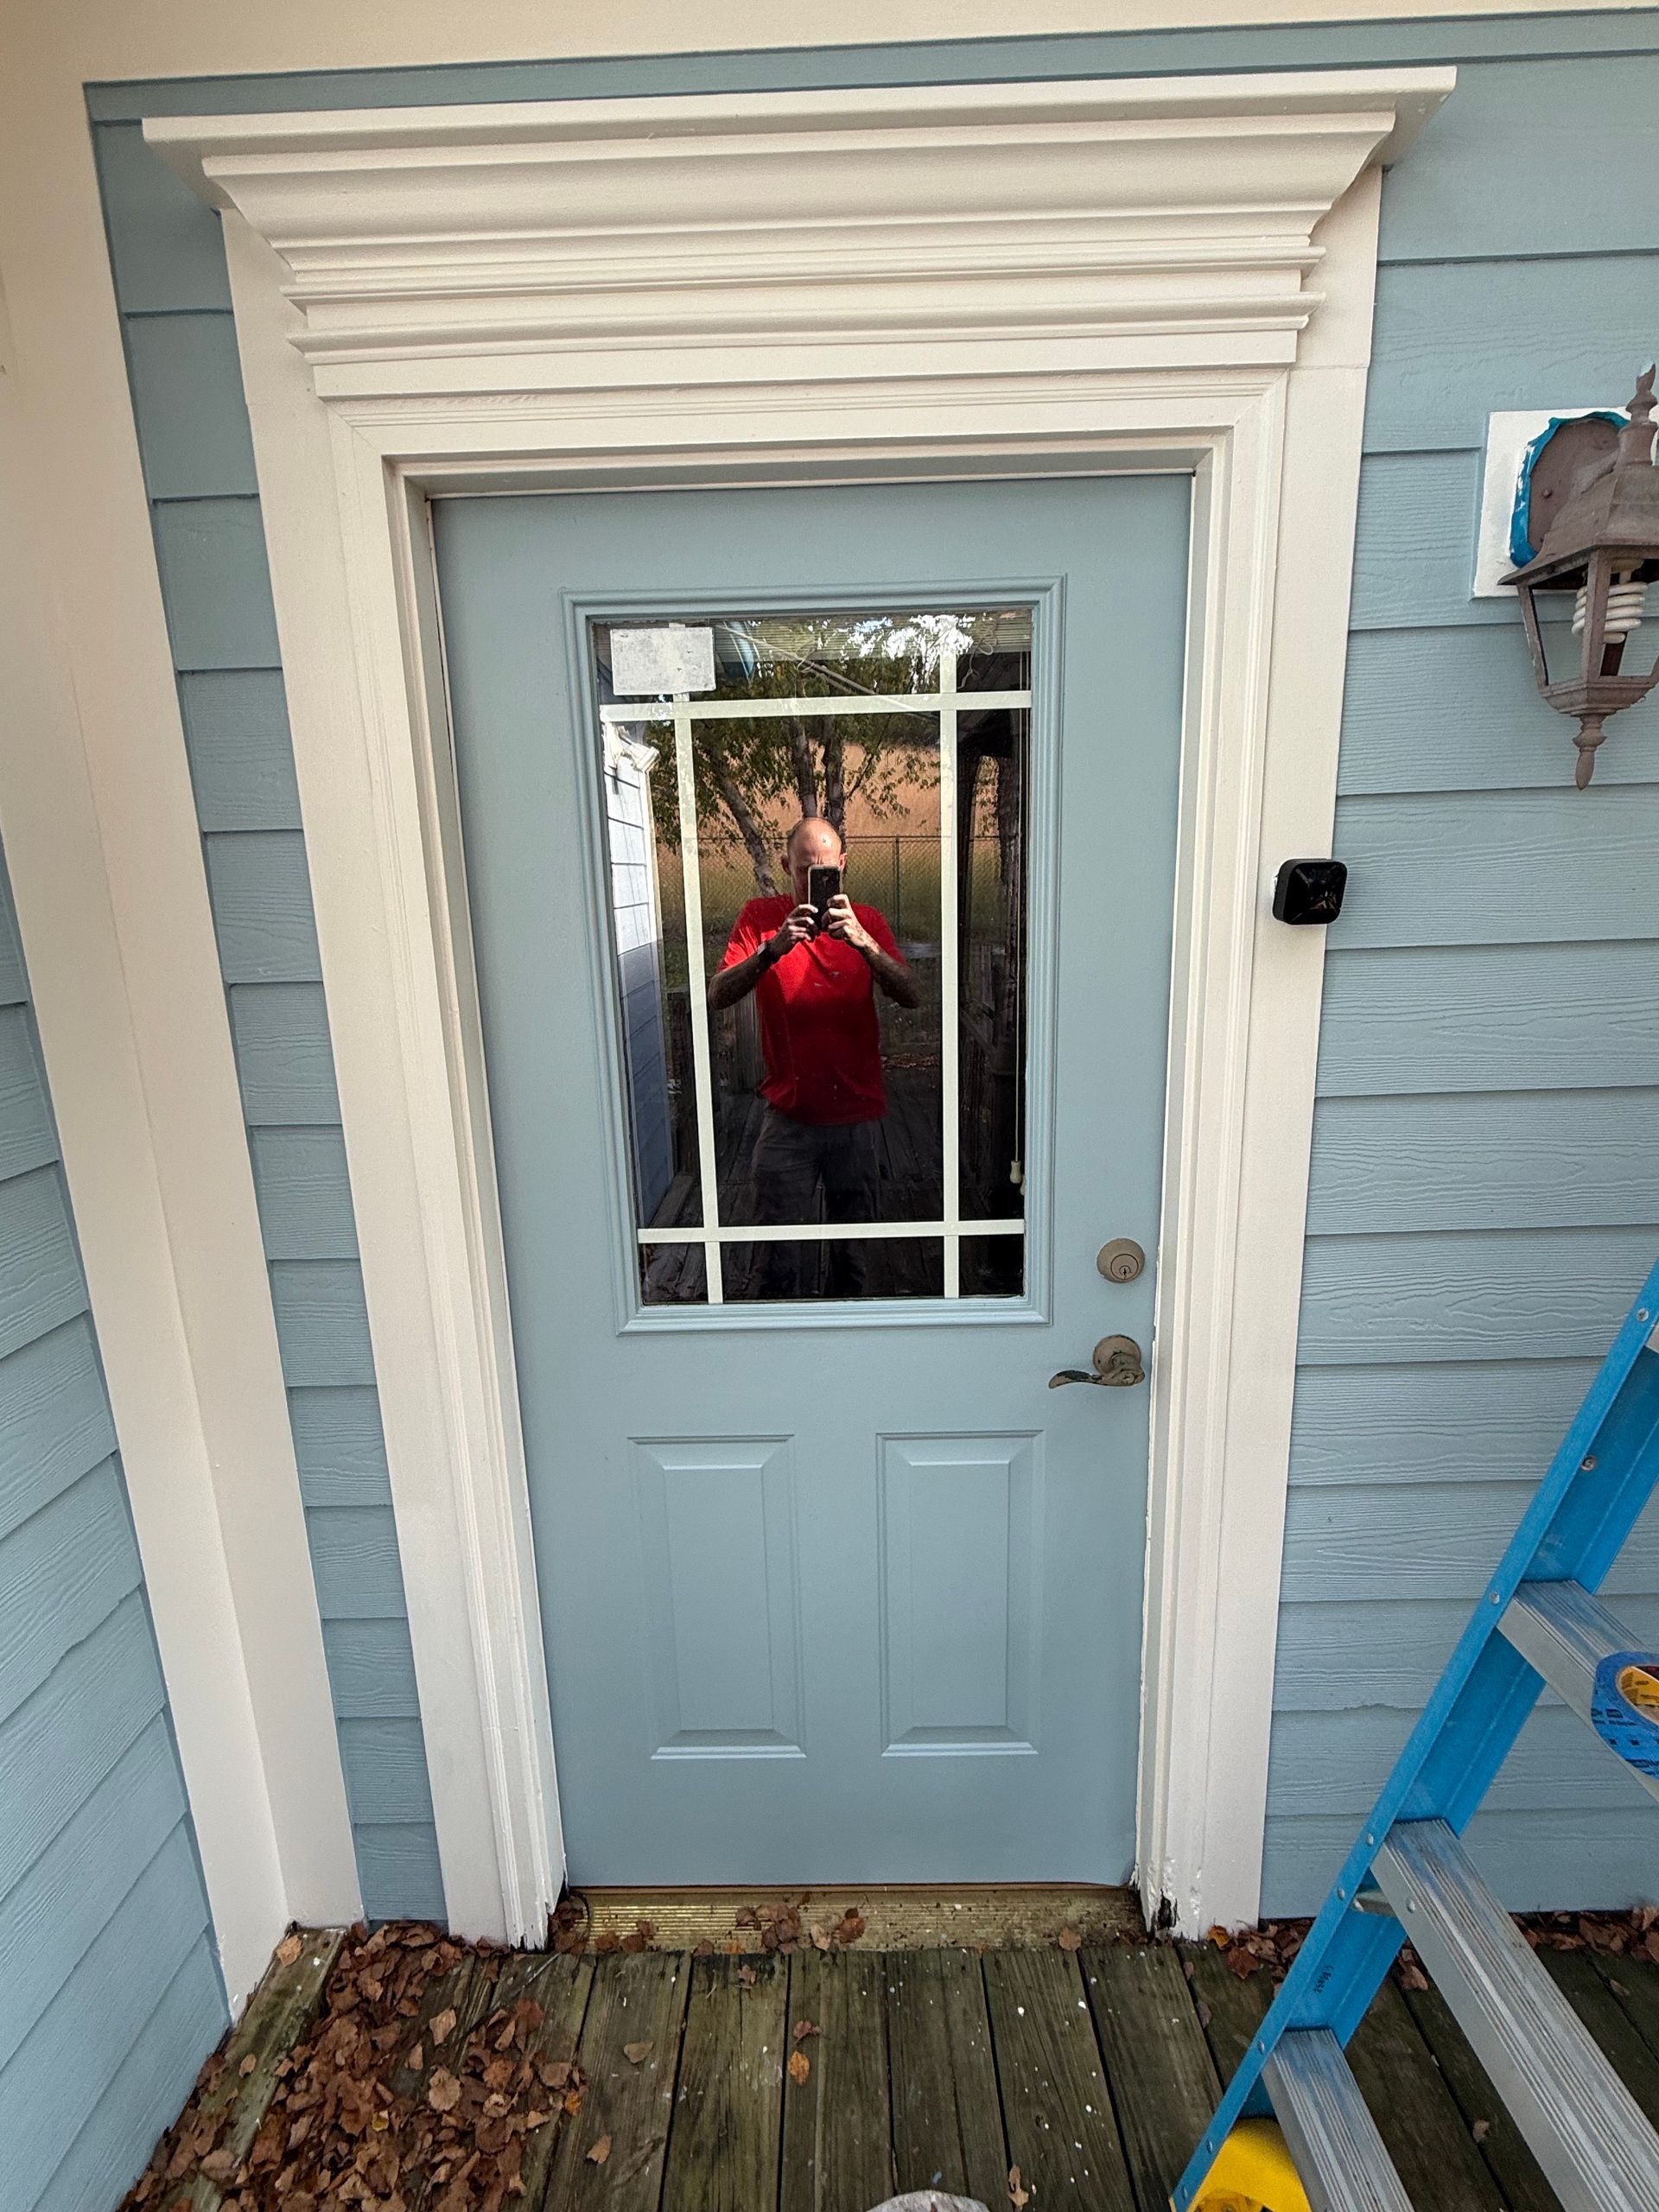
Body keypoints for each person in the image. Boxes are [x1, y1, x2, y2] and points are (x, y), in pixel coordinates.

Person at [710, 817, 919, 1296]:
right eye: (805, 870)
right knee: (775, 1255)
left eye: (827, 870)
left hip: (857, 1115)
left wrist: (864, 943)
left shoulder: (866, 921)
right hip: (789, 1115)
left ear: (842, 866)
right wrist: (771, 950)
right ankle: (778, 1350)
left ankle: (847, 1358)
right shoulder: (762, 918)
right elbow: (718, 994)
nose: (816, 880)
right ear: (787, 866)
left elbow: (911, 994)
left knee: (854, 1257)